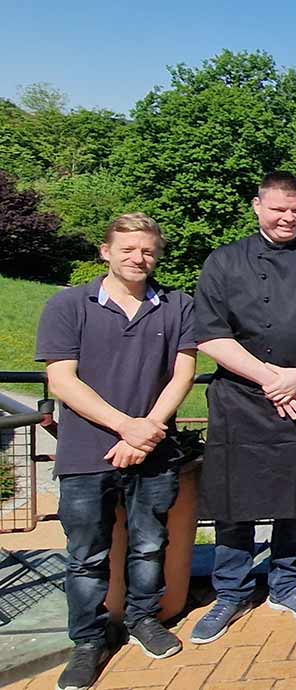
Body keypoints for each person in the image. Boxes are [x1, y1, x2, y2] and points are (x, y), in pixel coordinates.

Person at [192, 172, 296, 644]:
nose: (288, 218)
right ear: (257, 207)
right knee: (233, 502)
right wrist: (272, 379)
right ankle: (231, 590)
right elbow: (210, 333)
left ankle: (287, 581)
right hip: (243, 399)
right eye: (278, 209)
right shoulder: (224, 261)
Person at [37, 213, 197, 690]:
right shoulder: (69, 305)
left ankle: (143, 618)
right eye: (127, 249)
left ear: (157, 255)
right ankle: (87, 642)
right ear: (105, 252)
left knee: (150, 545)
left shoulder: (177, 305)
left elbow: (183, 374)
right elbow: (61, 379)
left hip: (155, 450)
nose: (138, 257)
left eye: (147, 250)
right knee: (86, 554)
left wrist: (147, 431)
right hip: (87, 453)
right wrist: (126, 427)